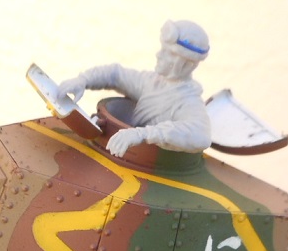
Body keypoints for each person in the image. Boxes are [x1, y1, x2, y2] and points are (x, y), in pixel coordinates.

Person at [58, 20, 211, 157]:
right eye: (162, 49)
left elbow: (201, 135)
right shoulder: (151, 81)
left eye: (168, 53)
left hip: (148, 159)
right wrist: (83, 80)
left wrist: (143, 134)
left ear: (186, 64)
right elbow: (115, 75)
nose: (159, 55)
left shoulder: (188, 101)